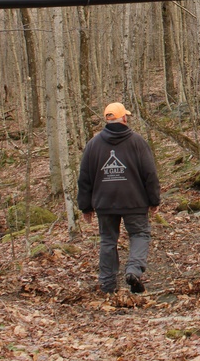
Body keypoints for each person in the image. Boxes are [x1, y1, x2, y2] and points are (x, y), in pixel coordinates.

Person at [77, 102, 161, 294]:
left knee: (108, 241)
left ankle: (107, 285)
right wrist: (154, 200)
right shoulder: (137, 142)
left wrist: (85, 206)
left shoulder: (93, 145)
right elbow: (150, 173)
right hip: (134, 201)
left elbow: (84, 178)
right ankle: (133, 270)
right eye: (126, 116)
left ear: (107, 120)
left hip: (105, 203)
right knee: (139, 234)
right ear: (123, 118)